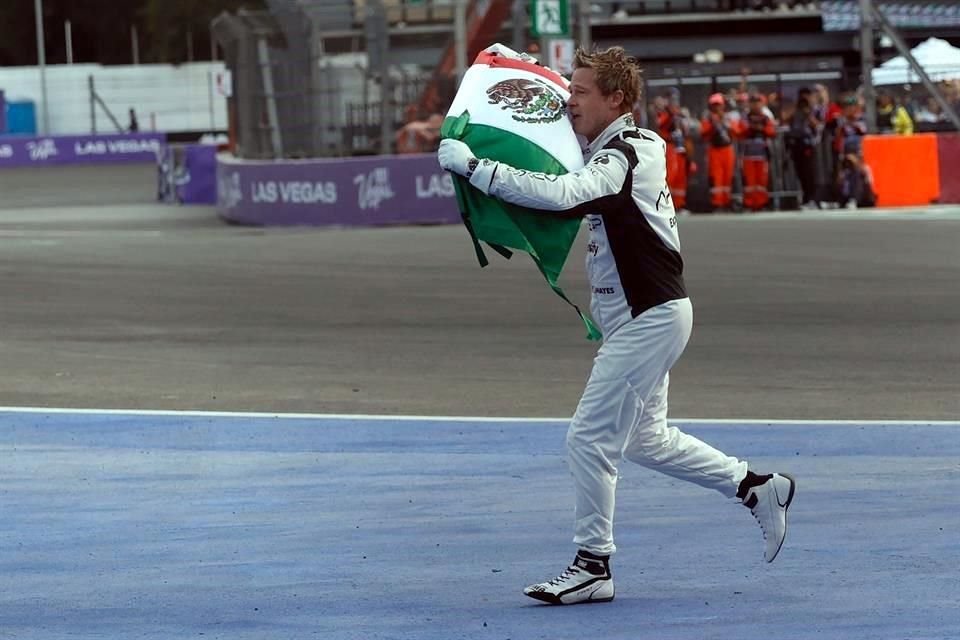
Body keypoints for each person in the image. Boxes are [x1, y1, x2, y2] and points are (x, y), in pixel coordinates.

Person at [438, 46, 796, 606]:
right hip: (642, 318)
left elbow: (563, 196)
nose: (569, 102)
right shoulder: (606, 143)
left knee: (587, 440)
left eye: (581, 94)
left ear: (617, 100)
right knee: (647, 441)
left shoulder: (631, 151)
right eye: (571, 89)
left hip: (649, 319)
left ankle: (593, 565)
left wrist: (475, 167)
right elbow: (556, 108)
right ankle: (756, 488)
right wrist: (520, 67)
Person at [738, 93, 777, 212]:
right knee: (750, 181)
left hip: (762, 154)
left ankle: (761, 203)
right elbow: (741, 130)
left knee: (761, 181)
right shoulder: (745, 117)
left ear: (762, 103)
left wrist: (761, 128)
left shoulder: (766, 118)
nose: (755, 105)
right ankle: (749, 203)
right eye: (753, 102)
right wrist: (754, 127)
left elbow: (771, 131)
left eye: (758, 102)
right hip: (748, 154)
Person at [701, 92, 737, 211]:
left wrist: (725, 123)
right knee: (716, 176)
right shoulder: (708, 118)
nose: (717, 107)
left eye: (719, 104)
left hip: (727, 149)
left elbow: (737, 131)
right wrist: (713, 124)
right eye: (714, 105)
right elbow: (704, 133)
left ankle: (727, 201)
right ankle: (717, 202)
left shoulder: (729, 117)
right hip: (715, 150)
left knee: (728, 176)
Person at [786, 91, 821, 208]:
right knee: (801, 173)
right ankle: (806, 198)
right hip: (796, 146)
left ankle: (813, 199)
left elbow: (817, 125)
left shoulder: (812, 112)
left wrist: (808, 115)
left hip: (807, 145)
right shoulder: (795, 114)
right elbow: (785, 120)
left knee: (809, 173)